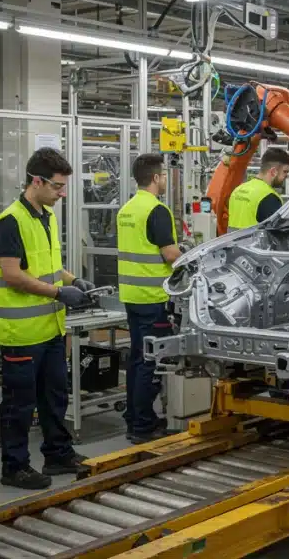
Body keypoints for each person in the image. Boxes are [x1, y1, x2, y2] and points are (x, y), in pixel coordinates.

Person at [0, 148, 94, 489]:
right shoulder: (10, 222)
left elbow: (47, 266)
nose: (62, 194)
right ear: (37, 181)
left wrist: (72, 280)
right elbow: (12, 275)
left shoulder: (45, 216)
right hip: (20, 332)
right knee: (20, 404)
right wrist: (58, 293)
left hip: (50, 329)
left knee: (54, 395)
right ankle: (14, 466)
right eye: (58, 187)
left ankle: (58, 453)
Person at [117, 153, 182, 444]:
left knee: (136, 360)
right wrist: (194, 260)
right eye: (165, 175)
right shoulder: (157, 210)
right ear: (156, 178)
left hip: (132, 296)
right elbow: (170, 254)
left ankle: (134, 417)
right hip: (154, 296)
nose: (166, 180)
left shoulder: (127, 209)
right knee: (150, 363)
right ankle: (143, 426)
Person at [227, 148, 289, 230]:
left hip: (233, 242)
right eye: (285, 171)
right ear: (273, 172)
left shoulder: (238, 190)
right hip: (254, 242)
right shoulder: (270, 197)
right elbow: (276, 234)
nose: (286, 176)